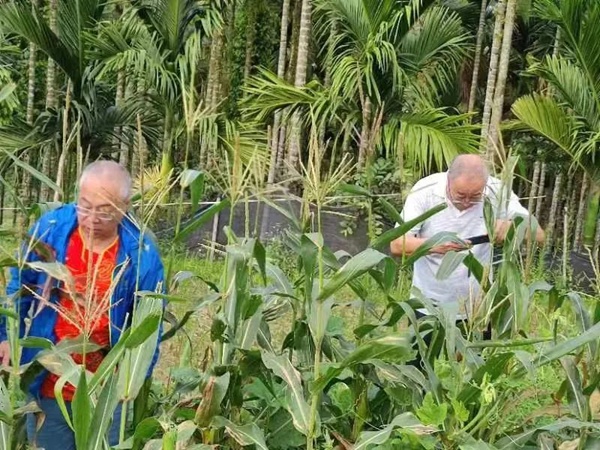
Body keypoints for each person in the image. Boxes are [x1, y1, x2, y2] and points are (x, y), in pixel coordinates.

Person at [0, 160, 165, 450]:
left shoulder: (141, 254)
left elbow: (149, 326)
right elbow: (19, 285)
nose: (90, 219)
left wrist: (134, 379)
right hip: (48, 379)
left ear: (125, 206)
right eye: (84, 205)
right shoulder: (51, 229)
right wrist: (5, 336)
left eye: (103, 211)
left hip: (107, 391)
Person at [390, 154, 544, 332]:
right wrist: (434, 245)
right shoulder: (426, 190)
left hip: (477, 308)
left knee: (473, 358)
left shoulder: (497, 192)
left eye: (475, 196)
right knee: (419, 358)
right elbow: (396, 244)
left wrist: (512, 227)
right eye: (460, 195)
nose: (467, 202)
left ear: (485, 185)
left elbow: (539, 235)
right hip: (427, 304)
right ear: (448, 179)